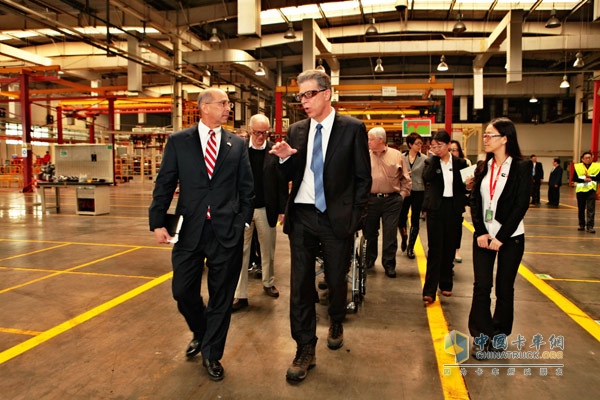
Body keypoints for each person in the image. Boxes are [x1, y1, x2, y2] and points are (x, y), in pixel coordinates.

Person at [269, 69, 371, 382]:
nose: (303, 101)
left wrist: (354, 219)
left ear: (327, 93)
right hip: (302, 216)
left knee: (336, 278)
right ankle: (304, 348)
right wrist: (284, 159)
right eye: (300, 96)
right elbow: (284, 177)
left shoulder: (352, 129)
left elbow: (362, 178)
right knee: (300, 285)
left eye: (309, 94)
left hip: (336, 218)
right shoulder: (298, 130)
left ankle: (337, 319)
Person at [148, 88, 254, 381]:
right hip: (189, 229)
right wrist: (158, 222)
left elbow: (246, 186)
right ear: (204, 108)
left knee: (222, 297)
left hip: (226, 231)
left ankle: (211, 354)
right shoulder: (179, 141)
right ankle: (201, 330)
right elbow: (165, 182)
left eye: (228, 104)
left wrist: (243, 220)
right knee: (182, 291)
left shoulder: (237, 143)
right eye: (223, 104)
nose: (228, 108)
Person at [468, 117, 531, 357]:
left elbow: (520, 205)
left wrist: (501, 237)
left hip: (511, 238)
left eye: (489, 135)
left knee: (505, 289)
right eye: (485, 134)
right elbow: (474, 201)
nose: (485, 138)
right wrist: (481, 232)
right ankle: (481, 335)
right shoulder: (483, 166)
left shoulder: (522, 167)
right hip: (484, 238)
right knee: (481, 286)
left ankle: (499, 335)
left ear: (504, 139)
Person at [232, 114, 288, 311]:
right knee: (241, 252)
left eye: (265, 132)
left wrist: (282, 209)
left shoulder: (275, 150)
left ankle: (268, 282)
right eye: (257, 132)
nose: (261, 136)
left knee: (268, 250)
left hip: (266, 208)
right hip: (242, 210)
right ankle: (240, 294)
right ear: (249, 130)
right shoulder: (238, 150)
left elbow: (282, 182)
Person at [421, 130, 469, 304]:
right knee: (435, 249)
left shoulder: (462, 163)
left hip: (454, 208)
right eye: (433, 146)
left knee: (450, 247)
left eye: (439, 145)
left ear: (448, 145)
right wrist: (434, 159)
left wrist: (469, 185)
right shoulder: (430, 161)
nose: (436, 148)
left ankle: (446, 283)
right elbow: (426, 178)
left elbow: (467, 186)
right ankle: (429, 290)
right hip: (436, 209)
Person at [363, 127, 411, 278]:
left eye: (370, 139)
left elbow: (405, 179)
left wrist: (402, 196)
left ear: (380, 140)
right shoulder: (364, 155)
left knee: (390, 234)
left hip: (392, 201)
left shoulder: (396, 156)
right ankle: (369, 260)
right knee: (369, 232)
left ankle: (389, 264)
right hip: (370, 200)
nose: (368, 141)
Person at [399, 133, 426, 259]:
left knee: (415, 218)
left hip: (418, 191)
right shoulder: (401, 157)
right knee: (401, 217)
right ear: (410, 144)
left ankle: (411, 247)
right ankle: (404, 237)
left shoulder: (425, 159)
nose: (419, 146)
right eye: (417, 143)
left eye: (421, 143)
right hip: (404, 189)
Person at [449, 140, 471, 264]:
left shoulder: (465, 163)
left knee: (457, 227)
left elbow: (468, 186)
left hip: (458, 200)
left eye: (455, 149)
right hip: (444, 201)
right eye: (450, 149)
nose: (452, 152)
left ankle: (457, 250)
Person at [572, 151, 600, 233]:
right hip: (581, 190)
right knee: (581, 208)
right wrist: (583, 179)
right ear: (582, 159)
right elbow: (574, 178)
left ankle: (590, 226)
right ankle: (581, 225)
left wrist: (591, 178)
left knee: (591, 209)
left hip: (591, 190)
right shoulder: (577, 167)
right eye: (586, 158)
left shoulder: (597, 166)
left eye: (589, 157)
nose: (588, 159)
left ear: (592, 158)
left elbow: (599, 177)